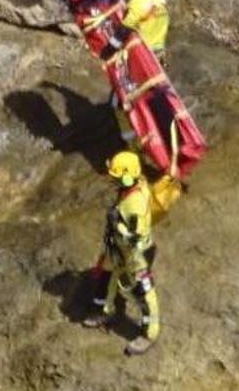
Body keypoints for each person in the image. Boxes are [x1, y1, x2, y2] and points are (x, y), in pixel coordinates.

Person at [83, 150, 159, 355]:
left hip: (135, 254)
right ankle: (104, 309)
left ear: (126, 177)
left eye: (115, 176)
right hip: (117, 247)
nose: (112, 179)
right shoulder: (135, 185)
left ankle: (149, 333)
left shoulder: (136, 203)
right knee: (106, 274)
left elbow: (137, 236)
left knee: (142, 290)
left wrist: (119, 226)